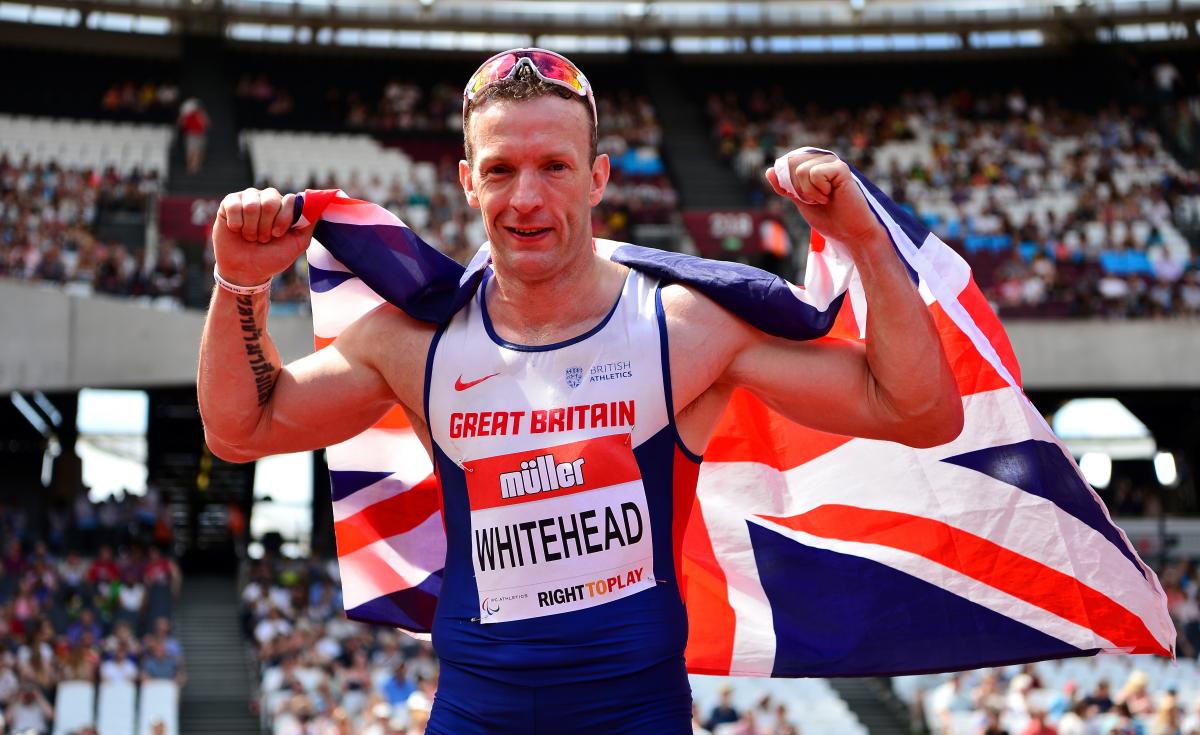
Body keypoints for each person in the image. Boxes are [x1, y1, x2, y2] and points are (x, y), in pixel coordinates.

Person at [198, 48, 961, 733]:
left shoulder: (682, 328)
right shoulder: (414, 341)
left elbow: (918, 409)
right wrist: (241, 280)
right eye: (500, 169)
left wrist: (865, 238)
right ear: (468, 182)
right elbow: (242, 429)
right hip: (473, 712)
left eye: (554, 167)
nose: (526, 196)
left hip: (636, 712)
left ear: (597, 178)